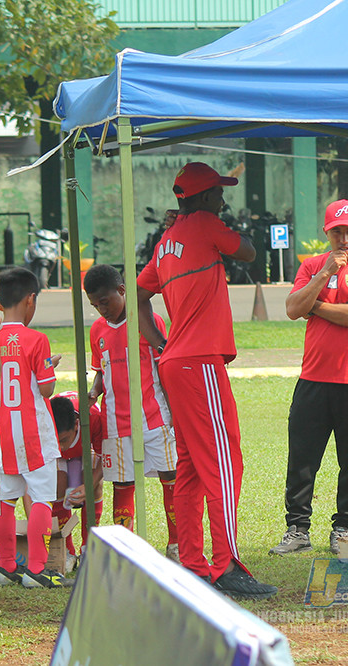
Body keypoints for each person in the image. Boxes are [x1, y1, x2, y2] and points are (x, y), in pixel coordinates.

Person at [136, 161, 276, 599]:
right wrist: (218, 224)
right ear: (201, 198)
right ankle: (226, 564)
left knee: (192, 467)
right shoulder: (204, 224)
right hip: (199, 363)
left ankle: (194, 565)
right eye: (217, 191)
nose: (223, 197)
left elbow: (137, 295)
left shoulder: (165, 243)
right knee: (224, 462)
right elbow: (249, 252)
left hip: (175, 362)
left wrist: (161, 342)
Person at [271, 199, 348, 556]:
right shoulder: (311, 266)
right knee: (302, 459)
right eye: (337, 232)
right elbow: (293, 309)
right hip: (313, 380)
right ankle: (297, 529)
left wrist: (315, 306)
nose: (344, 239)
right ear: (327, 233)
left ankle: (342, 529)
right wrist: (323, 275)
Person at [85, 264, 179, 560]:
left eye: (105, 302)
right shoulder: (98, 330)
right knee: (122, 483)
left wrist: (175, 412)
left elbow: (163, 367)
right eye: (95, 305)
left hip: (155, 417)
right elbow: (101, 371)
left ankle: (176, 545)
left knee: (171, 476)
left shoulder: (148, 322)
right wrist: (93, 391)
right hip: (116, 423)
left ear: (122, 291)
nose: (102, 310)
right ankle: (125, 552)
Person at [0, 267, 69, 589]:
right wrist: (49, 365)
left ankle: (7, 566)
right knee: (41, 497)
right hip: (32, 431)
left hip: (0, 430)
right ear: (30, 300)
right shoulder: (37, 339)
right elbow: (46, 389)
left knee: (6, 498)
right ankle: (37, 568)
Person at [50, 391, 104, 569]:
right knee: (57, 484)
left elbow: (104, 458)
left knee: (94, 484)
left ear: (76, 425)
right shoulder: (43, 419)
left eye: (64, 440)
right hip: (57, 458)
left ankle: (88, 547)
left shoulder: (93, 419)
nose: (61, 446)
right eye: (56, 440)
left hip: (86, 450)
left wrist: (88, 486)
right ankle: (66, 550)